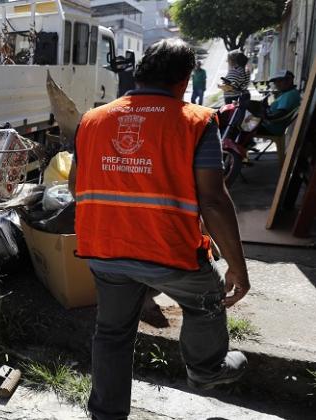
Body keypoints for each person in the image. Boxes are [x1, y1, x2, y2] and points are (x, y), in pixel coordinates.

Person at [68, 38, 250, 420]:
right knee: (206, 300)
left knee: (112, 333)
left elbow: (74, 187)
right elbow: (214, 201)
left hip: (104, 251)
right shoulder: (196, 121)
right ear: (184, 80)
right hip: (170, 254)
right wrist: (238, 267)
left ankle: (106, 415)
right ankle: (206, 370)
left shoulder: (92, 119)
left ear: (139, 74)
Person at [257, 70, 301, 136]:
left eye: (279, 81)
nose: (276, 84)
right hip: (269, 124)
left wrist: (264, 114)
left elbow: (280, 114)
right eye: (275, 82)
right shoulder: (289, 93)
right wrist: (266, 107)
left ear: (289, 81)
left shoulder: (289, 95)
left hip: (271, 128)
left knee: (242, 128)